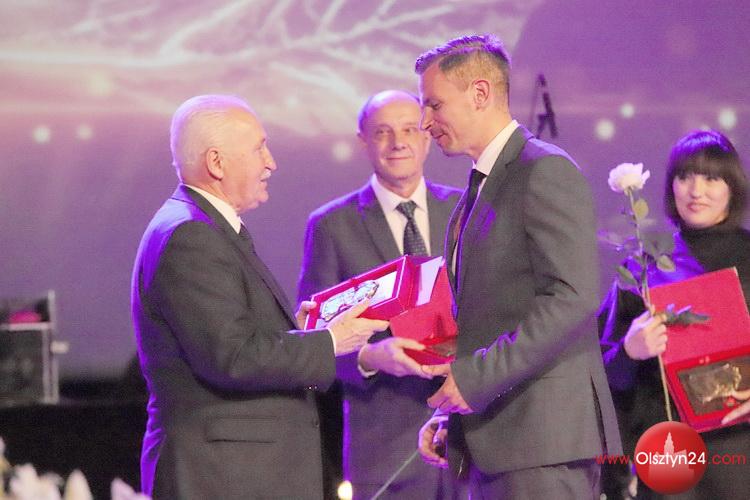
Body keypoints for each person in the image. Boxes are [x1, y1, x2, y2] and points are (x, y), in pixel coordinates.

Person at [131, 94, 388, 499]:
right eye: (259, 149)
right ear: (216, 163)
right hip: (225, 476)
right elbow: (232, 357)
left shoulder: (203, 227)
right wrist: (332, 341)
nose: (271, 163)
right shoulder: (191, 236)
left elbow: (228, 335)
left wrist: (296, 329)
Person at [413, 34, 622, 498]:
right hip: (501, 444)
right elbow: (494, 317)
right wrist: (453, 412)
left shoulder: (543, 169)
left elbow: (572, 298)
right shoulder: (481, 186)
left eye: (434, 105)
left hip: (542, 443)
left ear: (480, 93)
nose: (425, 122)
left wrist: (475, 380)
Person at [297, 90, 461, 499]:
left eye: (408, 130)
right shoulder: (332, 226)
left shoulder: (464, 212)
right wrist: (370, 357)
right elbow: (310, 344)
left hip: (469, 435)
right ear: (363, 141)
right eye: (383, 132)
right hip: (385, 445)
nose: (398, 143)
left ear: (427, 136)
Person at [599, 129, 750, 499]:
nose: (696, 191)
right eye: (685, 177)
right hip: (668, 448)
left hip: (739, 445)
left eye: (711, 178)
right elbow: (602, 371)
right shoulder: (644, 265)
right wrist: (629, 351)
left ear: (732, 187)